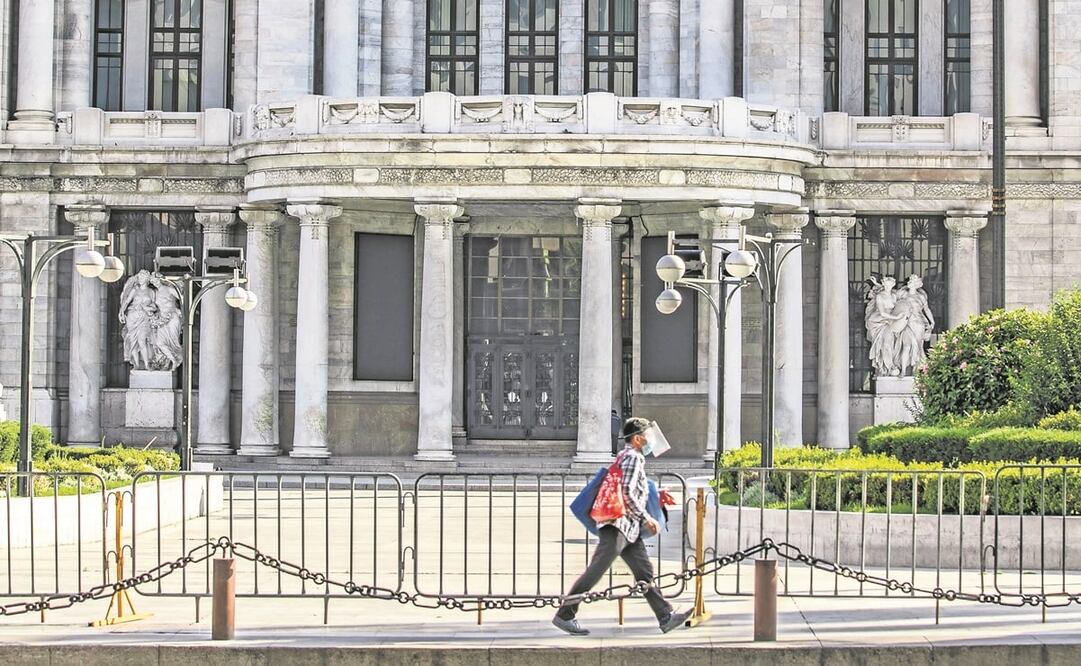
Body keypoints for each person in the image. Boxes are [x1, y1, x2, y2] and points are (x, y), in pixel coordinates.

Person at [553, 417, 692, 636]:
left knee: (644, 572)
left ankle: (665, 616)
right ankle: (565, 614)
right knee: (596, 569)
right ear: (637, 439)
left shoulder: (626, 456)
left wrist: (655, 495)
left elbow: (632, 487)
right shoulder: (633, 457)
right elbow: (627, 491)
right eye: (647, 436)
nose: (651, 441)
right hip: (617, 526)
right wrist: (646, 517)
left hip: (627, 528)